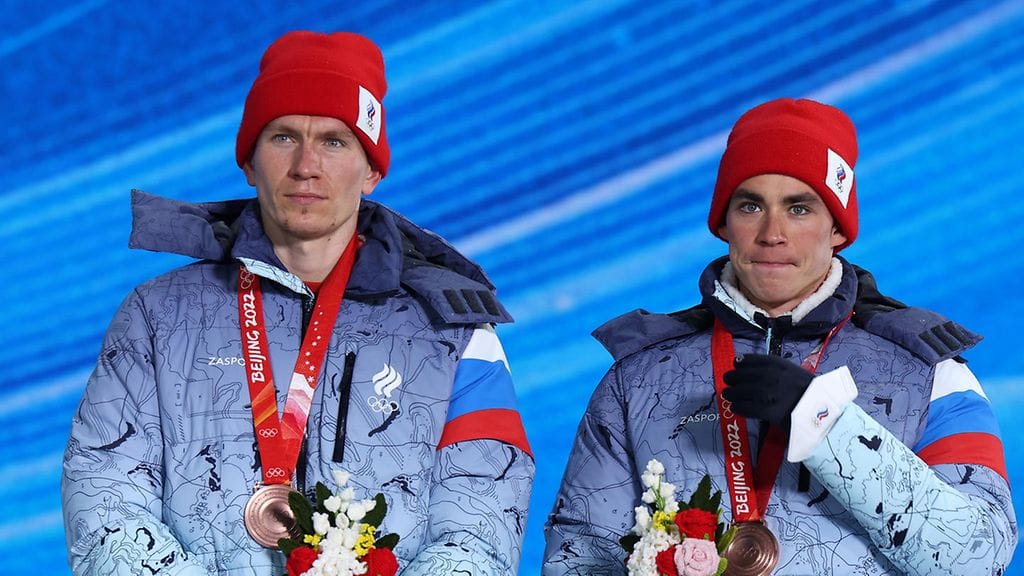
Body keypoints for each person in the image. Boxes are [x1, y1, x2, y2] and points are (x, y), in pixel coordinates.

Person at [62, 30, 534, 576]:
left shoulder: (455, 332)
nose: (306, 165)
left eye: (335, 141)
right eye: (283, 137)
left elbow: (483, 524)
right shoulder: (155, 317)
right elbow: (104, 496)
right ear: (248, 162)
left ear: (373, 170)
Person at [542, 98, 1016, 575]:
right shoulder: (637, 377)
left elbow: (980, 557)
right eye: (751, 205)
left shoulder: (928, 370)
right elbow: (578, 556)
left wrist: (826, 425)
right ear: (725, 223)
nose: (772, 233)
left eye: (799, 208)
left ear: (837, 228)